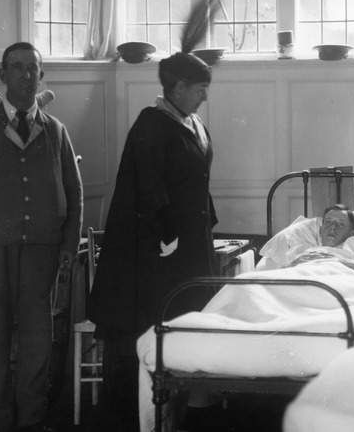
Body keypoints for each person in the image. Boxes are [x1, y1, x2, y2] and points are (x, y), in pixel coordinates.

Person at [86, 50, 219, 426]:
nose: (204, 97)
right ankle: (147, 417)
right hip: (159, 249)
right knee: (157, 327)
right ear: (177, 88)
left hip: (191, 243)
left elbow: (197, 182)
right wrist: (169, 233)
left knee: (187, 325)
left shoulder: (191, 122)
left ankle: (184, 409)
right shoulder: (151, 124)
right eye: (200, 89)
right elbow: (150, 185)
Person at [0, 42, 83, 432]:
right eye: (17, 68)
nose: (26, 75)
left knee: (36, 342)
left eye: (33, 68)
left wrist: (68, 244)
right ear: (2, 76)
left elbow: (75, 192)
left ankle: (32, 422)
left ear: (41, 75)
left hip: (42, 253)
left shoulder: (57, 131)